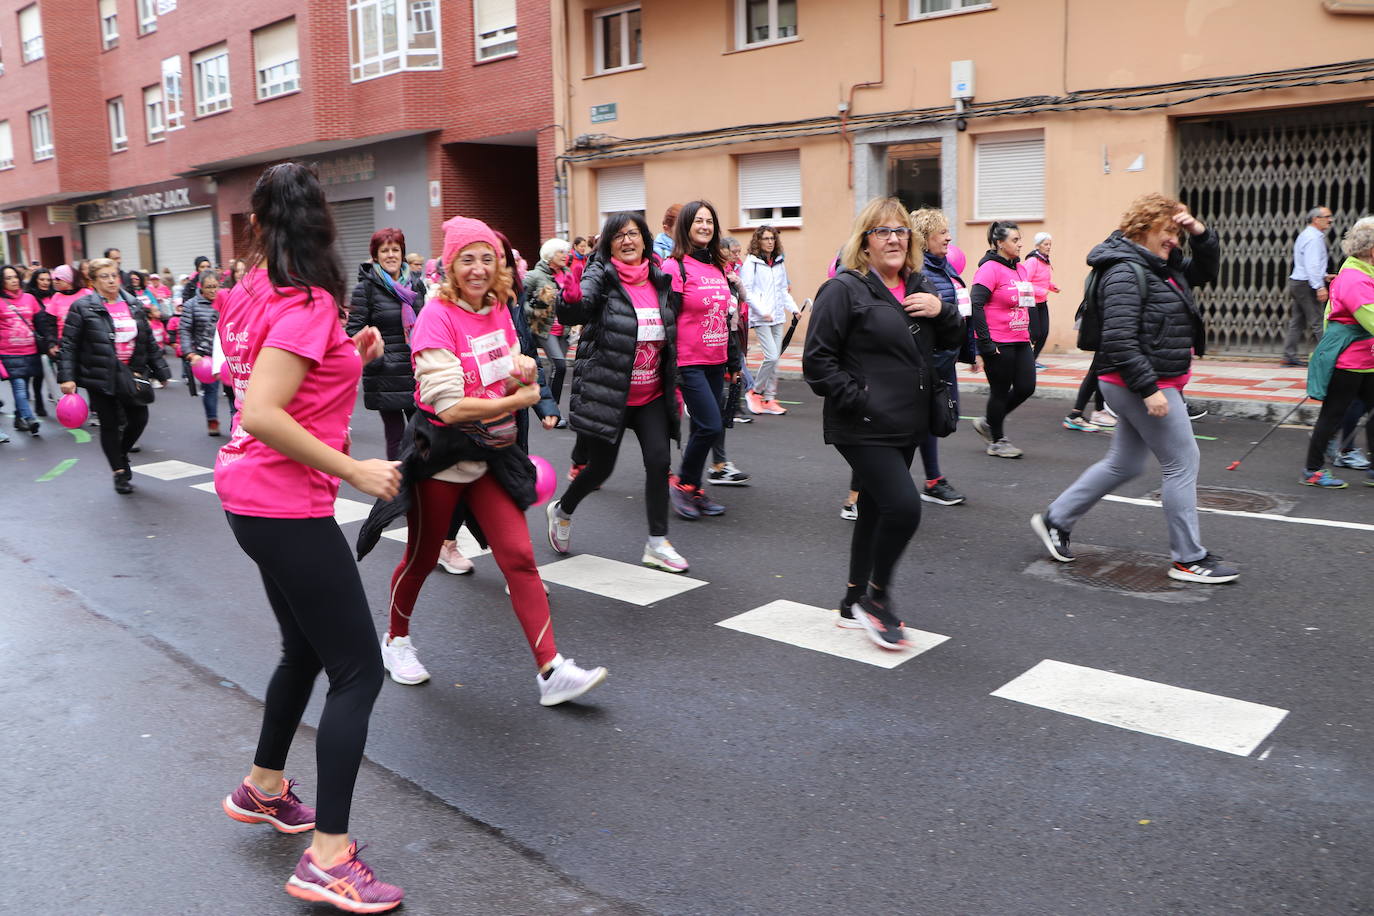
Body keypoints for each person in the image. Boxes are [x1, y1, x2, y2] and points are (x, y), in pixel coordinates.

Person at [212, 162, 405, 911]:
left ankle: (263, 786)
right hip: (284, 502)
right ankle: (328, 857)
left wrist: (347, 355)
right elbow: (263, 409)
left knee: (303, 649)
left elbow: (276, 378)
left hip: (249, 496)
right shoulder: (306, 301)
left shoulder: (250, 291)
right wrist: (354, 470)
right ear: (322, 223)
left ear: (259, 224)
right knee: (359, 672)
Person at [358, 215, 607, 705]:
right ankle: (396, 641)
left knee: (519, 557)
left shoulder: (498, 309)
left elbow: (504, 376)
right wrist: (519, 399)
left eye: (487, 258)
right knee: (421, 557)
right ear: (451, 266)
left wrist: (523, 373)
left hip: (489, 452)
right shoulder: (436, 316)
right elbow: (450, 407)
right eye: (467, 259)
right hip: (440, 454)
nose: (478, 268)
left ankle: (551, 670)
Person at [1031, 194, 1237, 584]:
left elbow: (1206, 271)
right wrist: (1149, 390)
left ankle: (1056, 519)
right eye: (1168, 231)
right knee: (1182, 461)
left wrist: (1198, 232)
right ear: (1144, 228)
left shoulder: (1161, 265)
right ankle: (1188, 558)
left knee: (1124, 463)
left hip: (1144, 380)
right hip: (1139, 382)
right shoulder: (1125, 271)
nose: (1174, 239)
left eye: (1177, 232)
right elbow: (1119, 339)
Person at [803, 197, 963, 649]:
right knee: (904, 508)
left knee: (875, 509)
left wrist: (942, 310)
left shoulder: (919, 284)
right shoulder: (844, 289)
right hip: (862, 423)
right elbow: (817, 361)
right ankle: (876, 598)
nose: (894, 239)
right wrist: (859, 398)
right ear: (865, 242)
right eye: (882, 231)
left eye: (901, 231)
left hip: (907, 421)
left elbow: (953, 338)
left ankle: (851, 600)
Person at [547, 211, 688, 572]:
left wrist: (675, 384)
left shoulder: (659, 278)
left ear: (645, 239)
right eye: (619, 235)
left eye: (633, 234)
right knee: (599, 470)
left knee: (659, 463)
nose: (627, 241)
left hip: (651, 395)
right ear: (609, 244)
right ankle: (563, 509)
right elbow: (578, 309)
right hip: (609, 394)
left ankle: (657, 543)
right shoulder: (600, 276)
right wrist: (570, 297)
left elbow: (671, 335)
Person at [58, 258, 171, 492]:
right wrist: (67, 377)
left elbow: (147, 339)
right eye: (104, 276)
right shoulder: (82, 307)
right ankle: (119, 472)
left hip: (132, 372)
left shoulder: (133, 303)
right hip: (100, 374)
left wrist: (161, 371)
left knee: (139, 418)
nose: (111, 281)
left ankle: (120, 453)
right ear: (93, 281)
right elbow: (69, 344)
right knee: (110, 424)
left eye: (113, 275)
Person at [663, 201, 733, 520]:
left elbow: (726, 316)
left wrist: (733, 361)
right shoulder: (674, 267)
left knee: (704, 427)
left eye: (709, 221)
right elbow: (666, 318)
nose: (705, 226)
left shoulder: (717, 267)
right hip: (688, 361)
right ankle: (684, 484)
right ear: (686, 226)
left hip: (716, 359)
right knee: (710, 425)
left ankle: (694, 488)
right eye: (698, 221)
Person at [1299, 217, 1374, 489]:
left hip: (1367, 359)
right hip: (1349, 361)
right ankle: (1313, 470)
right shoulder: (1355, 278)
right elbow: (1371, 318)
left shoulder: (1365, 273)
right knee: (1332, 415)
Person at [346, 228, 427, 460]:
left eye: (395, 250)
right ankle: (397, 481)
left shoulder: (415, 286)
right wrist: (376, 357)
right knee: (396, 436)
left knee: (422, 433)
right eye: (384, 251)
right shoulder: (365, 289)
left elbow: (425, 324)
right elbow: (354, 331)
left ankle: (420, 478)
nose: (391, 255)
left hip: (415, 370)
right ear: (376, 255)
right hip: (384, 374)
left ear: (402, 253)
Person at [911, 207, 973, 506]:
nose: (949, 238)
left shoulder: (945, 267)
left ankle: (928, 480)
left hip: (945, 359)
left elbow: (960, 310)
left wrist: (970, 353)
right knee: (922, 423)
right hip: (928, 362)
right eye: (942, 232)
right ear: (924, 238)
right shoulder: (919, 273)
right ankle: (931, 481)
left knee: (945, 418)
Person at [970, 221, 1036, 458]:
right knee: (1000, 391)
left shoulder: (1021, 269)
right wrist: (984, 343)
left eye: (1020, 240)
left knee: (1026, 387)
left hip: (1020, 339)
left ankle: (989, 421)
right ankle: (997, 441)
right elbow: (976, 304)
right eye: (1015, 240)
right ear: (999, 243)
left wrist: (1031, 332)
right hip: (998, 341)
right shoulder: (989, 269)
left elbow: (1026, 303)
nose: (1020, 244)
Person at [740, 225, 798, 417]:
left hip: (777, 316)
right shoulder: (752, 263)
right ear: (758, 240)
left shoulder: (779, 261)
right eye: (766, 238)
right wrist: (762, 311)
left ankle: (770, 399)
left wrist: (794, 308)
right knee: (771, 356)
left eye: (772, 238)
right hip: (761, 317)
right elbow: (746, 291)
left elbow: (782, 290)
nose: (770, 242)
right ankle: (755, 392)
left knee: (775, 359)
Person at [523, 238, 571, 410]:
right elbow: (520, 302)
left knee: (557, 369)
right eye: (560, 252)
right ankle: (553, 409)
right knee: (560, 366)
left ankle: (550, 408)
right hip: (545, 329)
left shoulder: (567, 274)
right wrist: (534, 311)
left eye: (566, 252)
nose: (565, 256)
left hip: (564, 329)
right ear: (550, 255)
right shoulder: (534, 276)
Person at [1283, 206, 1334, 368]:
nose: (1330, 220)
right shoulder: (1313, 238)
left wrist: (1324, 275)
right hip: (1306, 284)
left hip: (1299, 282)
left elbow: (1308, 263)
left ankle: (1289, 355)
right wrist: (1319, 286)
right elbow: (1312, 264)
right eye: (1327, 217)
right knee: (1318, 321)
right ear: (1316, 219)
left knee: (1297, 321)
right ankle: (1329, 357)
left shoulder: (1307, 234)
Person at [180, 269, 228, 436]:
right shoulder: (191, 305)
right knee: (211, 390)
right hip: (205, 355)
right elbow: (185, 330)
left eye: (216, 286)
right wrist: (190, 353)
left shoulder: (227, 301)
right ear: (201, 286)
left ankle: (237, 423)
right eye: (209, 287)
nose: (213, 290)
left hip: (227, 353)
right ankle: (212, 420)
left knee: (233, 391)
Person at [0, 264, 45, 435]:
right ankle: (29, 418)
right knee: (19, 386)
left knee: (24, 387)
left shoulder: (30, 298)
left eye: (15, 277)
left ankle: (19, 418)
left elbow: (40, 322)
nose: (13, 280)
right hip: (8, 353)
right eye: (8, 278)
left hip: (31, 351)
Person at [1023, 231, 1059, 368]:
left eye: (1050, 244)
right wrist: (1041, 291)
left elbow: (1042, 281)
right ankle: (1025, 359)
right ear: (1038, 245)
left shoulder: (1045, 261)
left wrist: (1052, 287)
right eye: (1046, 244)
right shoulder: (1032, 261)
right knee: (1035, 333)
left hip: (1042, 302)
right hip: (1031, 303)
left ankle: (1032, 360)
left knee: (1044, 333)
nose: (1049, 247)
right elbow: (1025, 282)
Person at [24, 267, 54, 415]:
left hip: (54, 339)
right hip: (38, 340)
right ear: (35, 280)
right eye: (42, 279)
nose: (45, 282)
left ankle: (63, 400)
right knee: (39, 374)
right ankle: (39, 402)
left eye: (48, 280)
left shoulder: (55, 295)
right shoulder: (29, 297)